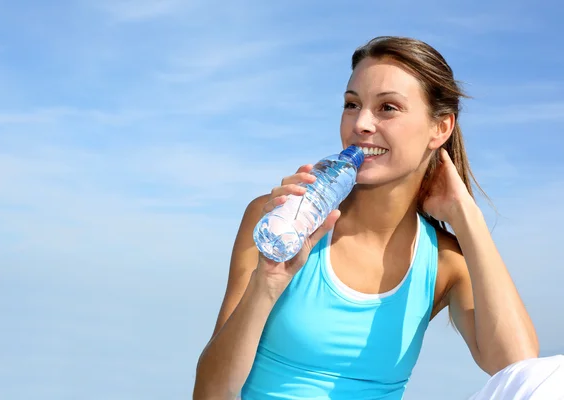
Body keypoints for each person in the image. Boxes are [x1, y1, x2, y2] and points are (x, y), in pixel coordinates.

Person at [192, 36, 563, 399]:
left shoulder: (445, 261)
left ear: (441, 128)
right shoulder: (279, 219)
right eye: (352, 105)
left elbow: (520, 372)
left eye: (387, 108)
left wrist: (467, 218)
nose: (361, 124)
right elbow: (210, 393)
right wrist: (267, 282)